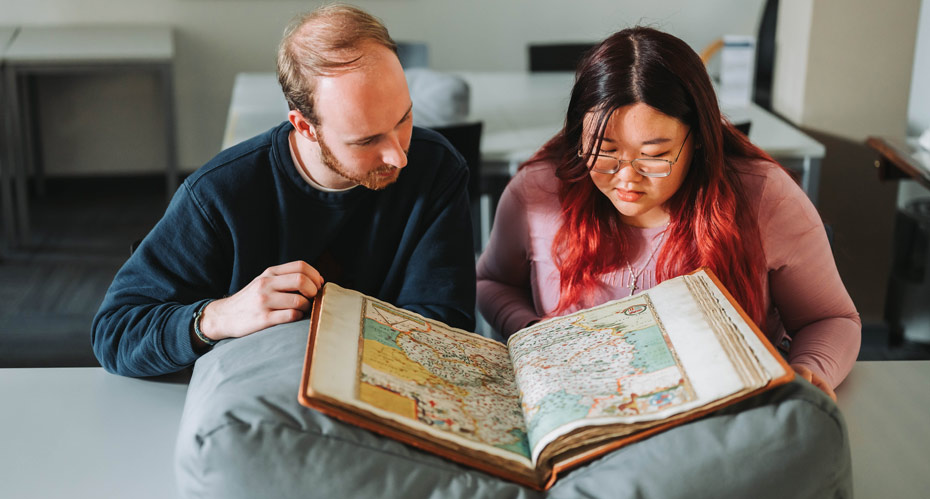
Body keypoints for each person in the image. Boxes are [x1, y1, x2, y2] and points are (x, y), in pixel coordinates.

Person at [92, 5, 476, 377]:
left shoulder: (437, 168)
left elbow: (447, 324)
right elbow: (116, 333)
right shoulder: (219, 194)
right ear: (304, 126)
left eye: (404, 119)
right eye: (366, 140)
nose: (399, 156)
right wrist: (218, 316)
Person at [476, 27, 860, 399]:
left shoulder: (764, 198)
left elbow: (830, 319)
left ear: (700, 139)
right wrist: (533, 332)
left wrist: (810, 370)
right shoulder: (539, 193)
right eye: (604, 150)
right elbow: (491, 282)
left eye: (655, 156)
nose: (626, 177)